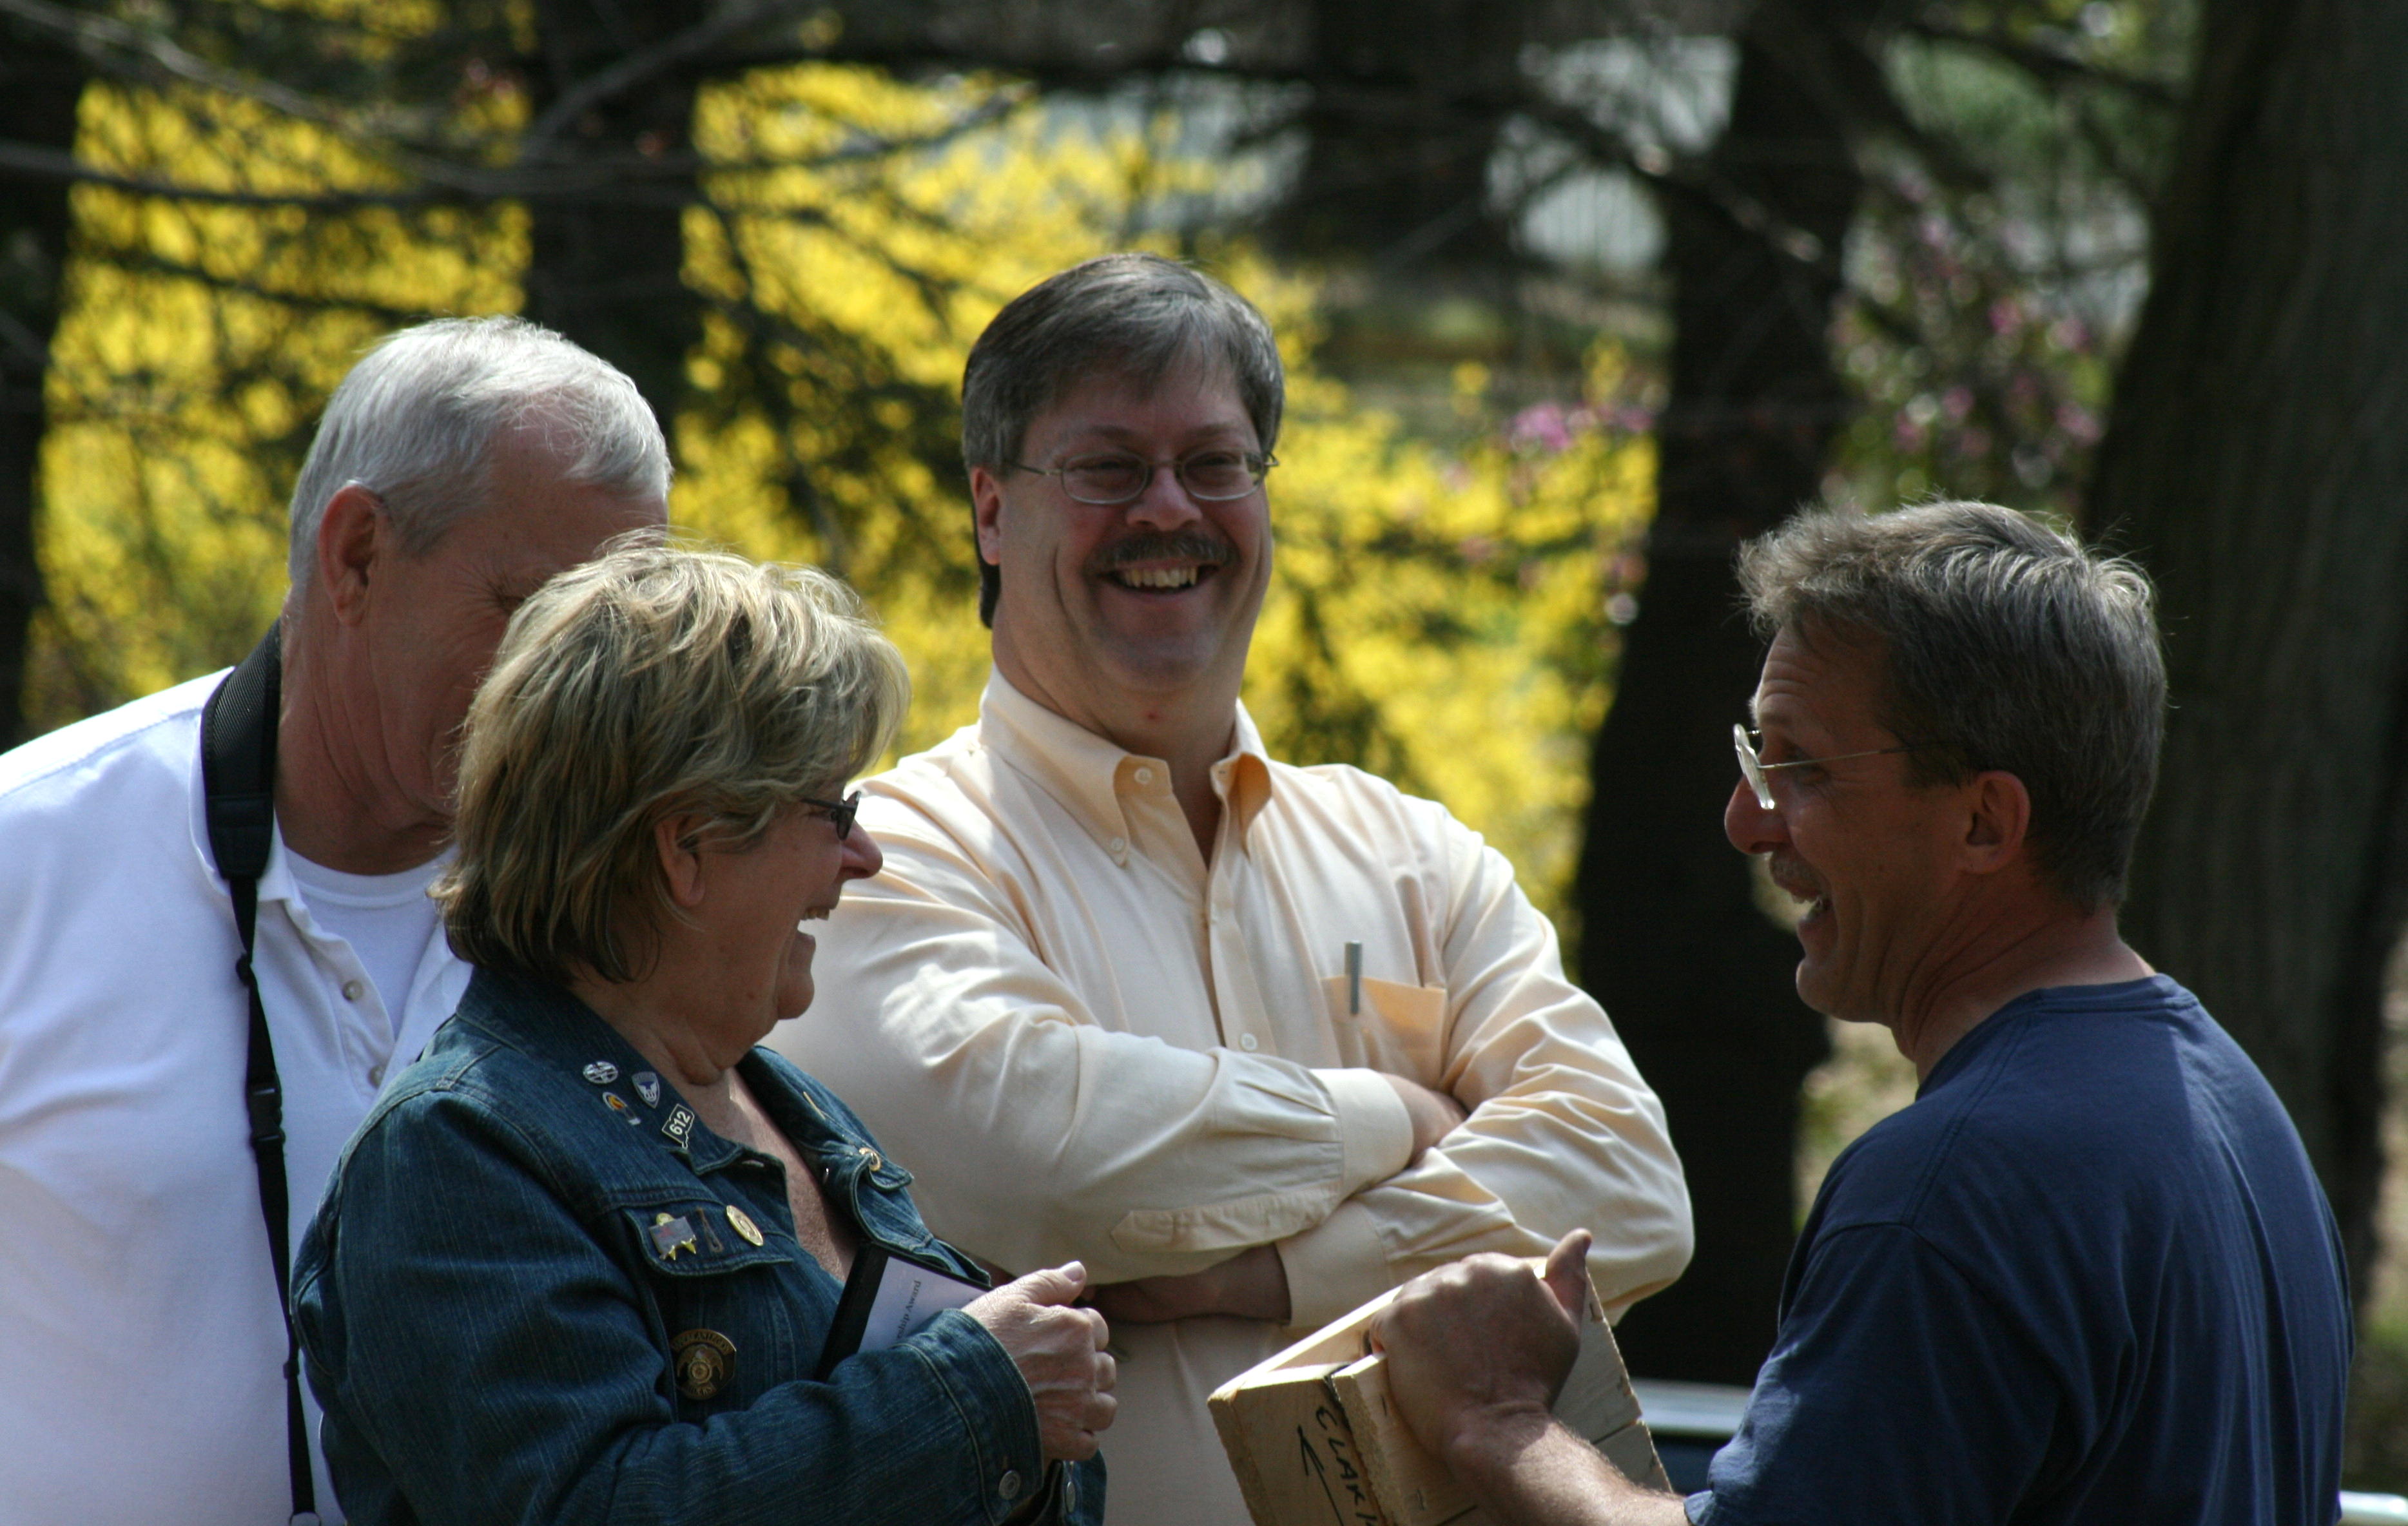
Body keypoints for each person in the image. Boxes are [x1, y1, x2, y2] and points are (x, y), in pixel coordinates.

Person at [772, 251, 1693, 1525]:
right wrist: (1401, 1112)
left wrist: (1270, 1268)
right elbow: (1041, 1160)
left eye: (1215, 463)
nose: (1168, 509)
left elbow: (1631, 1182)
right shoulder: (887, 852)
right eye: (1106, 467)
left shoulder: (1413, 850)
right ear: (990, 509)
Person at [1367, 501, 2354, 1526]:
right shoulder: (2242, 1114)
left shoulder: (1953, 1185)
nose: (1746, 819)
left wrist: (1495, 1422)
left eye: (1800, 768)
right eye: (1759, 755)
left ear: (1984, 821)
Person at [0, 316, 670, 1523]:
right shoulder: (27, 854)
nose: (578, 700)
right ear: (356, 556)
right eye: (534, 617)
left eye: (611, 645)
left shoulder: (639, 901)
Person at [293, 545, 1113, 1523]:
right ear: (686, 847)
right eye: (833, 809)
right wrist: (975, 1396)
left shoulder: (787, 1105)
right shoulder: (456, 1154)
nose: (864, 855)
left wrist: (1032, 1414)